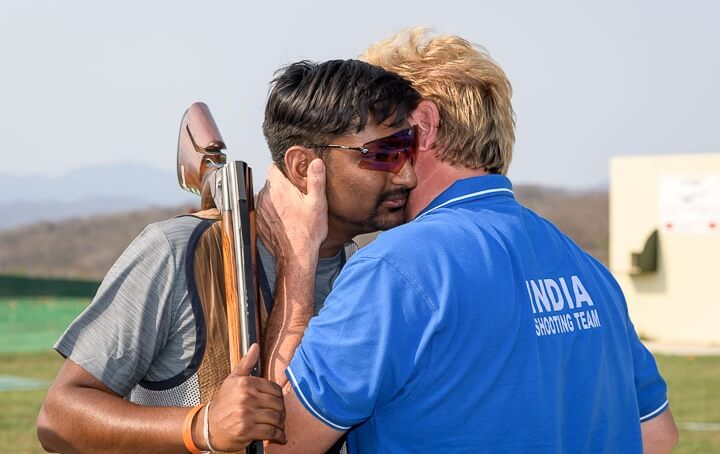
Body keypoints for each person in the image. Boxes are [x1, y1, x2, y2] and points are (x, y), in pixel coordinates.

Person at [257, 29, 679, 453]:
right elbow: (658, 436)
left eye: (392, 132)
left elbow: (282, 442)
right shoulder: (588, 269)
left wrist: (298, 256)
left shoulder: (396, 270)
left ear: (422, 124)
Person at [36, 59, 420, 453]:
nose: (408, 176)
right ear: (303, 167)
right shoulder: (179, 250)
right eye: (385, 153)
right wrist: (200, 426)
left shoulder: (368, 275)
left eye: (411, 148)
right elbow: (58, 418)